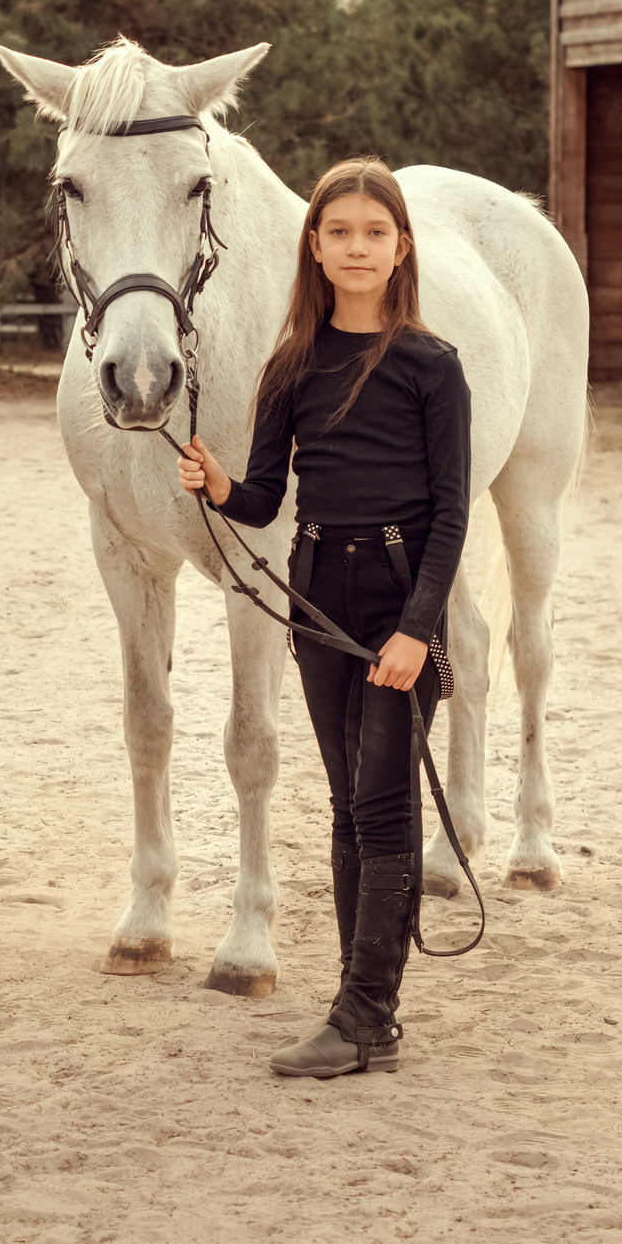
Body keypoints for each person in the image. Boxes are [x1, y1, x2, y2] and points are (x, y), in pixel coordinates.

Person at [178, 159, 469, 1079]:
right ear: (315, 245)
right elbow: (265, 499)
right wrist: (219, 485)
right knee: (346, 803)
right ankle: (365, 1007)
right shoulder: (292, 365)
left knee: (384, 804)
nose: (356, 247)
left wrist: (418, 629)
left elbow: (453, 513)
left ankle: (364, 1013)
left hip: (397, 598)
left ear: (400, 248)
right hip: (316, 594)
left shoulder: (432, 366)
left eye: (373, 233)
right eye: (338, 231)